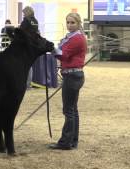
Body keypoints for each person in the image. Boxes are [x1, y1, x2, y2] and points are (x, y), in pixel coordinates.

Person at [48, 12, 86, 150]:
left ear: (78, 23)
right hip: (73, 75)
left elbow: (63, 55)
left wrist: (50, 48)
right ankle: (72, 141)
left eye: (72, 23)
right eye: (68, 22)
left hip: (72, 76)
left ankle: (65, 142)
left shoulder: (76, 39)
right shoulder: (73, 37)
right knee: (73, 110)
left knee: (68, 110)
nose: (70, 25)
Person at [19, 6, 39, 89]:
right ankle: (28, 84)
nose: (23, 14)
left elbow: (20, 32)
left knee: (24, 65)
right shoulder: (35, 21)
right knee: (30, 65)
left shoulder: (26, 21)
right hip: (32, 45)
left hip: (25, 45)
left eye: (24, 13)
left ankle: (24, 84)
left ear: (27, 12)